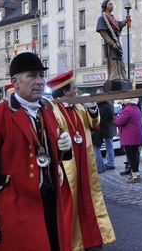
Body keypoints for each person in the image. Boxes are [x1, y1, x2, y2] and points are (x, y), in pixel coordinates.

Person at [0, 52, 73, 251]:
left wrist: (63, 149)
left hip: (50, 201)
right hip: (15, 206)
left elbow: (46, 158)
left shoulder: (46, 110)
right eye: (32, 76)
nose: (40, 81)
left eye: (42, 76)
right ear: (14, 82)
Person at [47, 71, 116, 251]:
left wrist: (92, 107)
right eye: (74, 88)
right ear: (64, 92)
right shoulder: (52, 111)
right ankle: (70, 242)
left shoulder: (78, 107)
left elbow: (94, 124)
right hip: (67, 168)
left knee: (89, 201)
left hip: (85, 163)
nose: (77, 91)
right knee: (70, 205)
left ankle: (92, 239)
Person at [113, 98, 142, 183]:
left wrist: (115, 118)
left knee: (131, 156)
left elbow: (119, 121)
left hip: (130, 137)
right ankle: (135, 174)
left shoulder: (127, 110)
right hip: (135, 136)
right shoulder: (135, 108)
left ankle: (136, 175)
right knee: (134, 155)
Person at [96, 0, 128, 81]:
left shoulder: (112, 18)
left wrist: (126, 21)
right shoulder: (102, 18)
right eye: (110, 4)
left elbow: (118, 25)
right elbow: (103, 33)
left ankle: (122, 76)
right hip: (111, 46)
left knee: (120, 61)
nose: (112, 6)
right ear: (105, 6)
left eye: (112, 4)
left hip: (117, 43)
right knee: (113, 62)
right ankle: (115, 77)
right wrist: (111, 43)